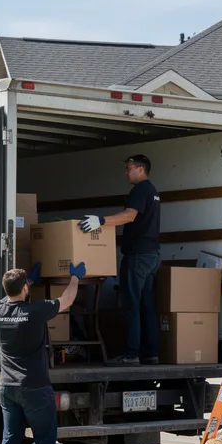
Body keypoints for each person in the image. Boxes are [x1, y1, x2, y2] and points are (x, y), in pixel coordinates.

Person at [0, 263, 85, 444]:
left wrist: (26, 282)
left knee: (10, 441)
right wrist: (75, 278)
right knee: (44, 441)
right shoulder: (36, 310)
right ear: (23, 288)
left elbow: (9, 297)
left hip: (7, 387)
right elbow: (67, 300)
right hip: (34, 388)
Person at [78, 155, 161, 366]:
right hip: (151, 255)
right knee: (146, 306)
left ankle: (132, 355)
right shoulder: (152, 191)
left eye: (128, 168)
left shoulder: (141, 190)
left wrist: (101, 221)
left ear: (140, 169)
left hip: (138, 257)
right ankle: (151, 354)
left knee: (131, 305)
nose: (126, 172)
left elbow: (129, 216)